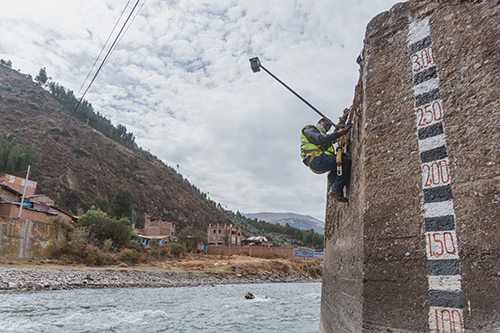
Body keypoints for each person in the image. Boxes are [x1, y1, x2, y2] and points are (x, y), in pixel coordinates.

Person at [300, 114, 351, 202]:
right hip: (316, 160)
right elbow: (320, 139)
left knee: (342, 158)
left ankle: (332, 179)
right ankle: (335, 189)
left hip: (319, 161)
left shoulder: (324, 137)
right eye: (326, 125)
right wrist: (338, 134)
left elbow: (331, 137)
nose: (327, 128)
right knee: (345, 161)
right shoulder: (310, 129)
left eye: (329, 127)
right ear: (320, 122)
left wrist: (342, 122)